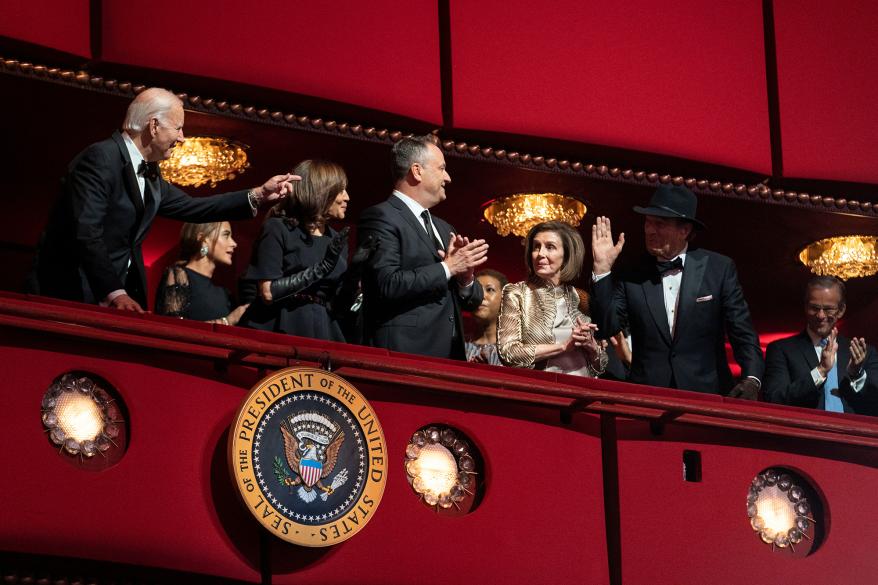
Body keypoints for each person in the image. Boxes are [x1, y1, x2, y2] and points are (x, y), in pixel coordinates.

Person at [30, 87, 296, 313]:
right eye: (178, 128)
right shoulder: (101, 158)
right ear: (153, 125)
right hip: (70, 294)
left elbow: (195, 207)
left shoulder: (152, 174)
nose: (182, 137)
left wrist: (259, 194)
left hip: (113, 300)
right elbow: (87, 233)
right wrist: (115, 292)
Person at [590, 184, 764, 397]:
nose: (650, 230)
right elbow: (605, 328)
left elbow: (741, 330)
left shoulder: (718, 269)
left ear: (685, 230)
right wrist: (602, 270)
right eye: (648, 222)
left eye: (660, 224)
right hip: (648, 397)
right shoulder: (632, 274)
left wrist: (752, 379)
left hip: (707, 396)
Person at [358, 135, 488, 360]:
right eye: (442, 168)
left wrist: (465, 278)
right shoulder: (381, 217)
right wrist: (447, 268)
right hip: (402, 354)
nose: (448, 177)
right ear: (417, 171)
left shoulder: (444, 227)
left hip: (449, 357)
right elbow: (386, 285)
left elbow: (474, 301)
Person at [239, 159, 366, 341]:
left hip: (323, 330)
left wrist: (355, 272)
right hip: (281, 325)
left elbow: (338, 307)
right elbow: (268, 292)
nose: (347, 197)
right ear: (321, 191)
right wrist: (320, 269)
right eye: (340, 190)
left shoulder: (337, 240)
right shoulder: (278, 229)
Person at [497, 221, 608, 376]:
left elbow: (600, 366)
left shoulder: (581, 297)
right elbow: (508, 353)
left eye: (550, 247)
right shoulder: (517, 293)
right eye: (536, 246)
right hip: (541, 390)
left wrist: (592, 347)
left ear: (567, 255)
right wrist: (562, 347)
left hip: (582, 390)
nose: (540, 253)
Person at [763, 276, 878, 414]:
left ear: (841, 310)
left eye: (828, 309)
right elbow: (774, 400)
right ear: (805, 307)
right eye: (814, 308)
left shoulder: (863, 353)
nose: (821, 315)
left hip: (853, 434)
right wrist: (820, 371)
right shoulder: (782, 350)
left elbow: (873, 404)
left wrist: (856, 374)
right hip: (806, 432)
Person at [154, 221, 248, 325]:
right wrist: (227, 321)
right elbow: (174, 327)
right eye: (226, 235)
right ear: (203, 239)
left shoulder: (225, 293)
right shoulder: (178, 275)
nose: (234, 243)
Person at [466, 269, 508, 366]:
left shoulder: (516, 350)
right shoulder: (458, 346)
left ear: (505, 299)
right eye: (476, 290)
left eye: (490, 290)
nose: (481, 296)